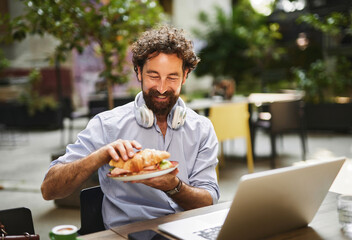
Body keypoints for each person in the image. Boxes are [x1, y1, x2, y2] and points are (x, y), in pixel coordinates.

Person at [41, 25, 220, 229]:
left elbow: (209, 200)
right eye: (153, 76)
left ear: (185, 75)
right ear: (139, 72)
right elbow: (49, 190)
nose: (162, 88)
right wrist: (100, 156)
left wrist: (174, 187)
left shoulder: (202, 129)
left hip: (186, 230)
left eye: (172, 77)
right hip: (130, 233)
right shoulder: (107, 125)